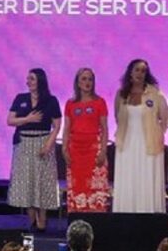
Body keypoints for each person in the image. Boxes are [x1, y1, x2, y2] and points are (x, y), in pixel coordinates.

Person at [7, 68, 62, 231]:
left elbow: (57, 125)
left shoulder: (51, 101)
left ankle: (42, 217)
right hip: (24, 143)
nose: (28, 82)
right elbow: (10, 120)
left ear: (40, 80)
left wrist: (49, 144)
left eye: (31, 78)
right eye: (28, 79)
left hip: (43, 141)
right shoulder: (20, 98)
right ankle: (30, 217)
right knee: (27, 179)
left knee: (42, 180)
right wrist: (27, 119)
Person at [112, 59, 168, 213]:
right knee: (128, 178)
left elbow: (165, 120)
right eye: (137, 70)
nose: (140, 73)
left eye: (143, 71)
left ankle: (148, 214)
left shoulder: (155, 94)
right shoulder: (121, 95)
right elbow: (117, 117)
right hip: (126, 144)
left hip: (149, 144)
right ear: (130, 72)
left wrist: (157, 135)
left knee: (146, 178)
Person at [62, 68, 111, 213]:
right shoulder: (70, 104)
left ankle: (97, 220)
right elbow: (66, 128)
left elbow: (104, 128)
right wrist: (64, 149)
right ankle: (77, 221)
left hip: (94, 149)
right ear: (77, 83)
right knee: (77, 187)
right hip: (75, 151)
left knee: (95, 188)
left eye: (90, 79)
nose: (87, 82)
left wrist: (103, 151)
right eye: (84, 79)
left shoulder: (100, 102)